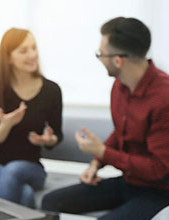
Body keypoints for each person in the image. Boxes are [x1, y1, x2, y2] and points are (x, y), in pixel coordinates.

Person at [42, 17, 169, 220]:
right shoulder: (119, 86)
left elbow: (160, 170)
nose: (100, 58)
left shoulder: (163, 98)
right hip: (129, 182)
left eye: (100, 54)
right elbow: (121, 133)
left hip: (159, 192)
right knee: (50, 202)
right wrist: (96, 163)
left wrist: (103, 152)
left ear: (118, 60)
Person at [0, 28, 63, 208]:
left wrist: (47, 139)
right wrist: (6, 125)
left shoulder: (52, 90)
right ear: (8, 57)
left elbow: (57, 136)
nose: (32, 54)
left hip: (31, 167)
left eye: (33, 48)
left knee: (14, 169)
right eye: (23, 51)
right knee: (25, 195)